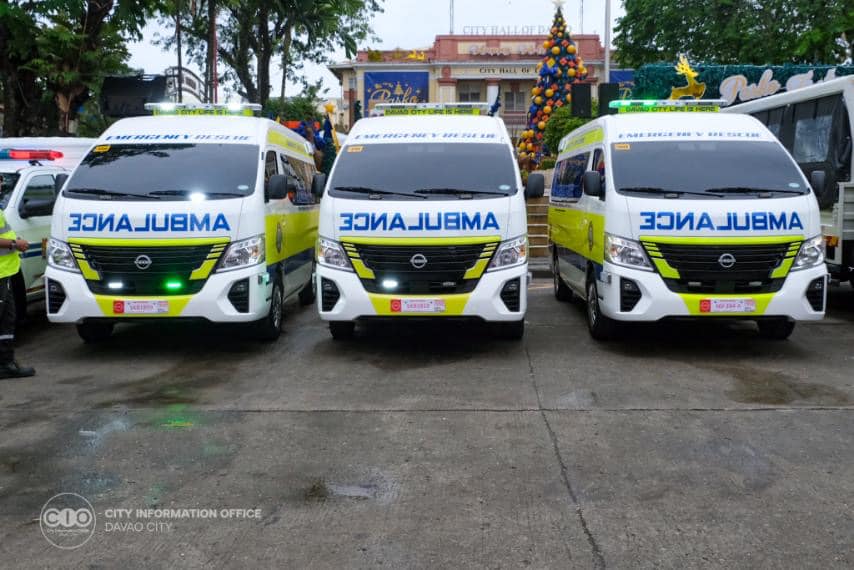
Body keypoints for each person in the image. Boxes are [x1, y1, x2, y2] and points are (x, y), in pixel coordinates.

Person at [0, 207, 35, 379]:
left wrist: (14, 241)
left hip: (5, 272)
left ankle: (6, 363)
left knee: (7, 319)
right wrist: (14, 244)